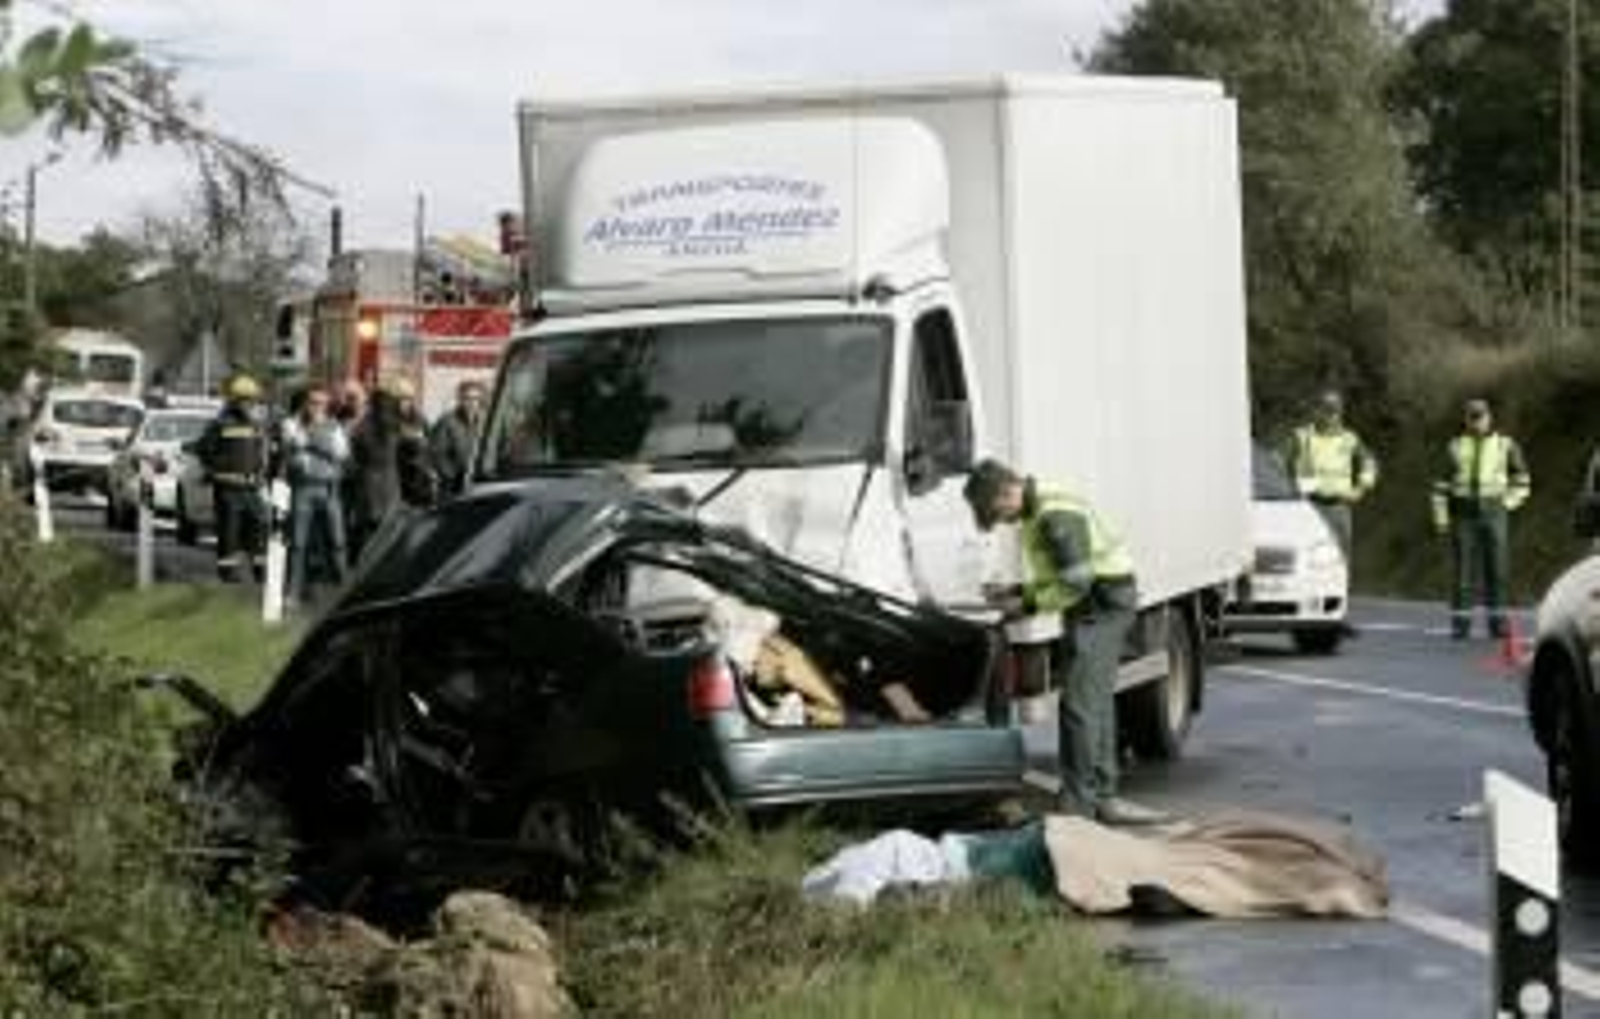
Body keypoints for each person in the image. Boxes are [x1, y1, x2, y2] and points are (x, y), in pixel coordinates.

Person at [962, 458, 1168, 826]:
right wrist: (1018, 590)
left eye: (996, 511)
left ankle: (1078, 806)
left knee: (1079, 705)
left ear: (1008, 491)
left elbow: (1076, 582)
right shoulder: (1036, 511)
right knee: (1095, 701)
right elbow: (1061, 576)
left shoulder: (1054, 516)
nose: (1000, 521)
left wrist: (1025, 604)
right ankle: (1102, 796)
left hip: (1102, 604)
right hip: (1093, 603)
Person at [1431, 398, 1531, 640]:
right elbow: (1439, 486)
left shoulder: (1505, 445)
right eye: (1472, 417)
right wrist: (1441, 518)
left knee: (1497, 569)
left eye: (1481, 417)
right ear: (1465, 419)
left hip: (1495, 511)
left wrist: (1507, 504)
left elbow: (1523, 480)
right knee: (1463, 570)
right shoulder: (1454, 446)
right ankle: (1461, 624)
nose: (1477, 422)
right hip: (1463, 514)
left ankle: (1497, 624)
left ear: (1489, 417)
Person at [1284, 390, 1378, 559]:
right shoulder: (1302, 436)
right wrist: (1293, 490)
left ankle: (1339, 585)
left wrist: (1362, 488)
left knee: (1341, 558)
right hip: (1311, 508)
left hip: (1339, 509)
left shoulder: (1349, 438)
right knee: (1308, 557)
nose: (1331, 415)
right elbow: (1282, 466)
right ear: (1316, 411)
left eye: (1335, 411)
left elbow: (1369, 461)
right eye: (1326, 410)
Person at [196, 374, 271, 583]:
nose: (250, 404)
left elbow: (262, 453)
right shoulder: (219, 424)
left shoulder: (257, 425)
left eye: (252, 400)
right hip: (228, 488)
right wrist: (216, 470)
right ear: (234, 400)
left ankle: (260, 569)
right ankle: (228, 572)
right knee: (229, 532)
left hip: (252, 486)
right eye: (245, 399)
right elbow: (204, 450)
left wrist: (263, 475)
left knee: (260, 527)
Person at [280, 383, 348, 607]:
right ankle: (293, 593)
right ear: (305, 403)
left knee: (337, 542)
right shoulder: (291, 423)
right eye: (313, 402)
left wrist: (310, 441)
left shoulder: (334, 425)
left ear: (327, 404)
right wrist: (316, 441)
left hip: (330, 490)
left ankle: (345, 593)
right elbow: (292, 445)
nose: (317, 407)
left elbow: (342, 454)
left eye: (321, 403)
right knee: (298, 544)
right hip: (304, 488)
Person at [429, 379, 487, 498]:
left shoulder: (485, 423)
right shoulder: (447, 421)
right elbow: (437, 453)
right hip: (452, 487)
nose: (472, 403)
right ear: (460, 399)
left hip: (478, 485)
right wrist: (452, 475)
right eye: (467, 398)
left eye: (476, 399)